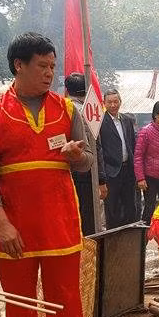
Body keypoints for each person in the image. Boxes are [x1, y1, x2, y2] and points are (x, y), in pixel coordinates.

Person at [0, 32, 102, 317]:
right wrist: (2, 222)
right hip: (14, 225)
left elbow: (87, 162)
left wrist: (77, 156)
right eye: (42, 66)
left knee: (66, 298)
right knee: (18, 299)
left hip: (60, 220)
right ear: (19, 65)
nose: (49, 73)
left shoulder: (67, 110)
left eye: (52, 66)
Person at [65, 73, 104, 235]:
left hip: (67, 174)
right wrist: (101, 179)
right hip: (88, 174)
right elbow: (98, 147)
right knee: (89, 221)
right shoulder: (90, 110)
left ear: (67, 91)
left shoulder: (63, 110)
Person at [98, 89, 139, 228]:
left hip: (128, 170)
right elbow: (100, 149)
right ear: (104, 103)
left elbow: (133, 145)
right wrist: (103, 174)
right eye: (109, 102)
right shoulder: (101, 122)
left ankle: (130, 237)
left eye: (116, 101)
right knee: (113, 208)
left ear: (120, 102)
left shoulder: (127, 120)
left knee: (130, 206)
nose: (113, 105)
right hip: (111, 171)